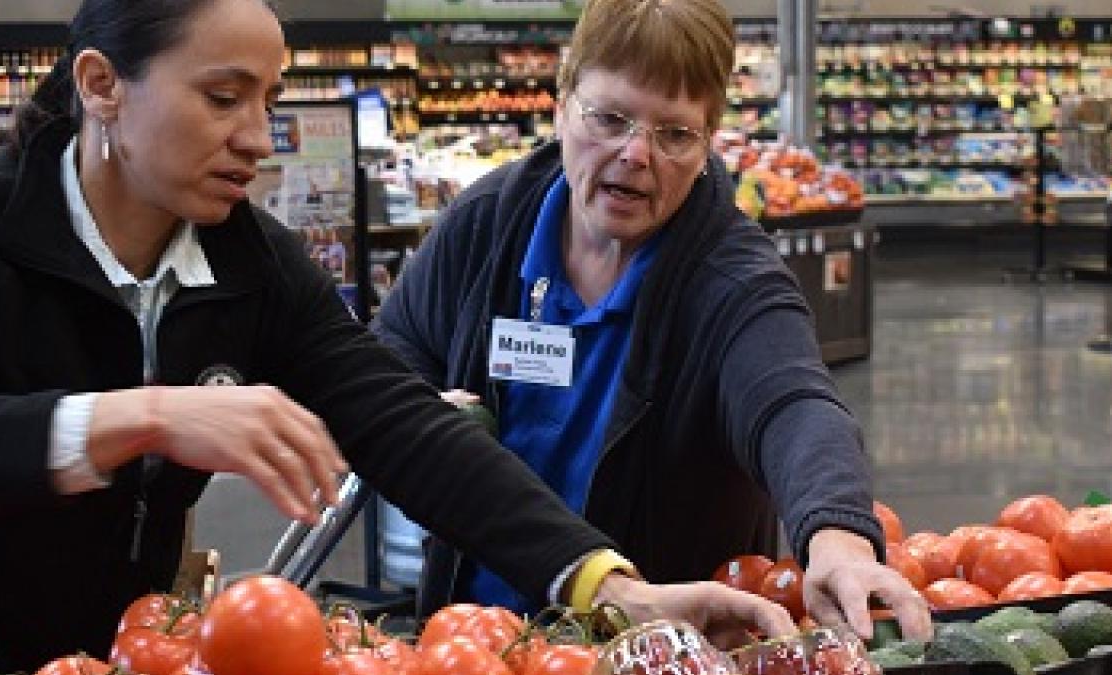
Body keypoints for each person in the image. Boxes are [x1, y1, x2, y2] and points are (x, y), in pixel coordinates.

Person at [0, 0, 796, 672]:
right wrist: (141, 417)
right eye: (223, 97)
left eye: (268, 98)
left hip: (80, 652)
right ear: (102, 86)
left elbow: (403, 425)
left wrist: (608, 586)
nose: (258, 136)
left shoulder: (250, 263)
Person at [368, 0, 932, 642]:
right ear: (562, 105)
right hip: (475, 639)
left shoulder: (732, 279)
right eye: (610, 119)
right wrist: (426, 407)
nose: (636, 153)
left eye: (675, 134)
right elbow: (395, 346)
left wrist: (837, 536)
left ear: (708, 141)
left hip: (660, 648)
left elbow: (793, 403)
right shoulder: (489, 224)